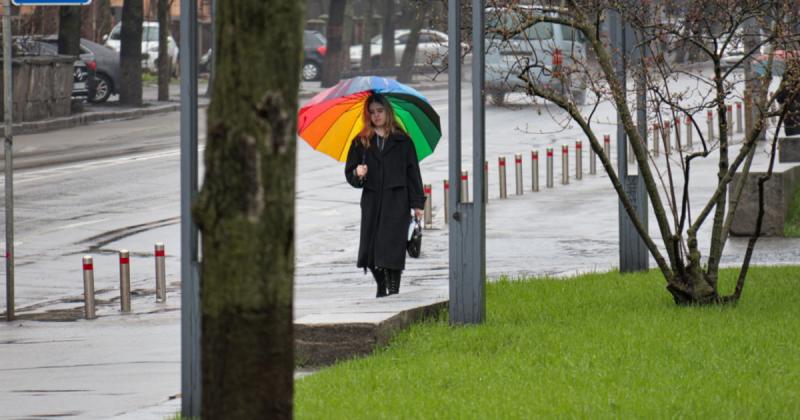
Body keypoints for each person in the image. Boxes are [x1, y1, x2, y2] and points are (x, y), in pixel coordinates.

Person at [345, 93, 425, 298]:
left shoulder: (403, 141)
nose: (376, 115)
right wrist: (357, 173)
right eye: (372, 112)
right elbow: (351, 174)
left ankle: (394, 290)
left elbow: (413, 173)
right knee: (370, 250)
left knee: (393, 247)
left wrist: (418, 204)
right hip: (372, 201)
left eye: (380, 111)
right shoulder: (361, 141)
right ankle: (381, 283)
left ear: (388, 112)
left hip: (397, 201)